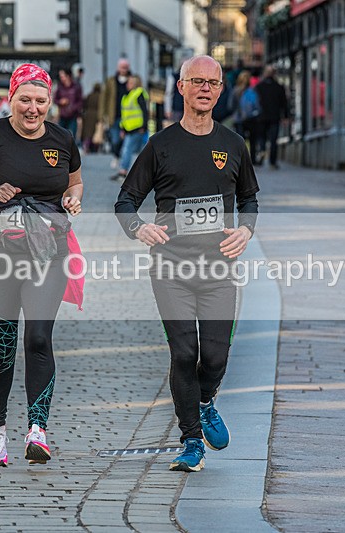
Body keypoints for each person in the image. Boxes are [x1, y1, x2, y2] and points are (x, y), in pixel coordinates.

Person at [114, 54, 259, 473]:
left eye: (212, 83)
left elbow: (249, 198)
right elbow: (125, 201)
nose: (205, 89)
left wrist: (245, 230)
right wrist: (139, 228)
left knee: (214, 357)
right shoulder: (160, 145)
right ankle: (191, 440)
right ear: (181, 87)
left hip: (219, 268)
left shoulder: (233, 144)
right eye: (196, 81)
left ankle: (206, 400)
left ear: (220, 90)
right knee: (183, 353)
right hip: (171, 268)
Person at [0, 63, 84, 467]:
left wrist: (73, 199)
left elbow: (75, 182)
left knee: (38, 338)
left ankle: (38, 430)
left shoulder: (62, 139)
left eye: (41, 101)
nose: (33, 108)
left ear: (50, 102)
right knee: (2, 346)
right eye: (25, 99)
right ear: (11, 98)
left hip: (48, 254)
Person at [254, 66, 288, 168]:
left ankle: (262, 153)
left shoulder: (259, 87)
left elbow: (255, 102)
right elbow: (284, 103)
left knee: (262, 138)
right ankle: (272, 161)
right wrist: (286, 116)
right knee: (273, 140)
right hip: (274, 117)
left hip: (262, 117)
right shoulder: (279, 87)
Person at [99, 58, 131, 166]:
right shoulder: (111, 81)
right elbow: (104, 98)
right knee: (115, 139)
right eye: (122, 67)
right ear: (118, 68)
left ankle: (122, 158)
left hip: (129, 116)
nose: (124, 70)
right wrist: (102, 115)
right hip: (114, 115)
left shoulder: (132, 80)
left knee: (126, 139)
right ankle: (116, 155)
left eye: (125, 67)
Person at [116, 75, 148, 179]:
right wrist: (122, 128)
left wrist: (144, 126)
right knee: (140, 150)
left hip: (137, 128)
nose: (128, 84)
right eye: (128, 82)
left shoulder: (138, 94)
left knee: (127, 149)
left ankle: (123, 171)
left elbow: (144, 111)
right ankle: (145, 173)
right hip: (128, 128)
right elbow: (125, 114)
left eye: (130, 83)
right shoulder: (127, 96)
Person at [231, 70, 261, 150]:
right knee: (252, 142)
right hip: (251, 119)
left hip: (238, 119)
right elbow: (257, 106)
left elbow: (230, 106)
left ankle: (240, 156)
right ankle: (252, 156)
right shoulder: (252, 91)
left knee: (239, 142)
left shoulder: (235, 91)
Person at [54, 68, 83, 139]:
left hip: (73, 116)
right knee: (60, 137)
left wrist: (73, 108)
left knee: (72, 137)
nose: (61, 78)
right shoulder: (60, 87)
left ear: (68, 76)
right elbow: (55, 99)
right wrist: (60, 101)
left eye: (62, 76)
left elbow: (80, 101)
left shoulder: (76, 86)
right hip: (62, 115)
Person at [80, 82, 102, 153]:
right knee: (95, 132)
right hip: (96, 115)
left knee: (88, 133)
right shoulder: (101, 96)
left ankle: (86, 146)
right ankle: (94, 148)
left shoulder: (89, 95)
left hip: (88, 115)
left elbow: (84, 104)